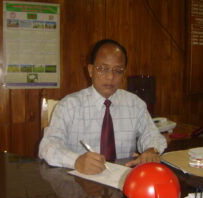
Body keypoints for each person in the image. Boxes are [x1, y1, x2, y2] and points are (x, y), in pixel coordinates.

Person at [38, 39, 167, 175]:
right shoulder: (69, 105)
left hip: (121, 180)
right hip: (80, 183)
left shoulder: (135, 104)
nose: (110, 76)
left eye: (118, 70)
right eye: (103, 69)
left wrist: (151, 150)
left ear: (124, 74)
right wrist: (76, 161)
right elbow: (47, 146)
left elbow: (152, 135)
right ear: (90, 70)